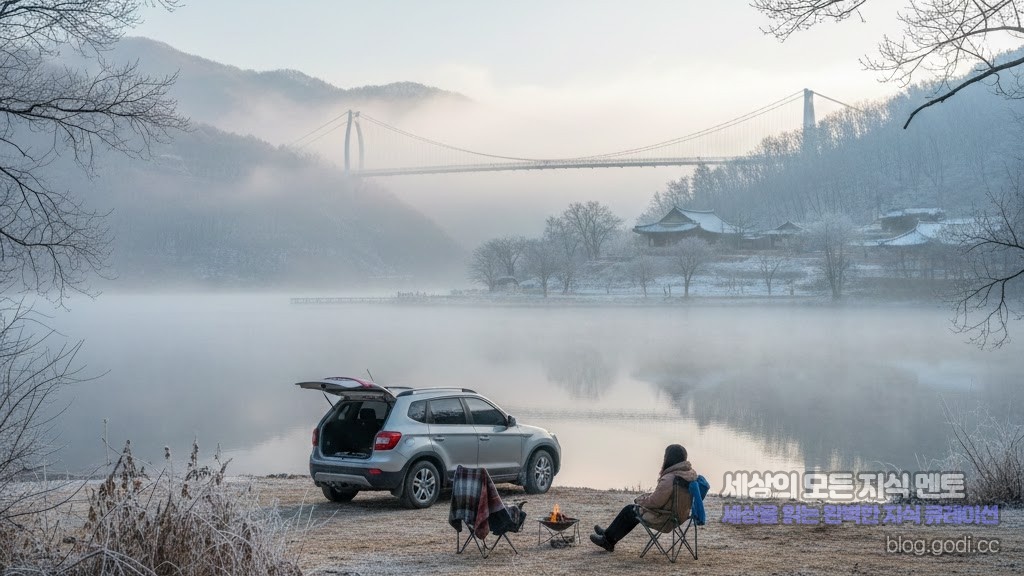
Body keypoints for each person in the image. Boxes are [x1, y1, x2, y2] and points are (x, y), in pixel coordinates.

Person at [589, 444, 698, 552]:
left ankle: (608, 540)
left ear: (669, 458)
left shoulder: (670, 478)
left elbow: (655, 502)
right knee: (633, 511)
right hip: (680, 516)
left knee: (630, 510)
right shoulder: (689, 475)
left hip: (665, 518)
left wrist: (640, 500)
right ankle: (608, 534)